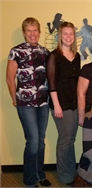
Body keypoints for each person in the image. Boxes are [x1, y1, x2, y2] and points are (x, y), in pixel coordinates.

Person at [6, 17, 51, 187]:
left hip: (43, 103)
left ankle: (40, 174)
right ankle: (30, 179)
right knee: (32, 141)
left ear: (39, 32)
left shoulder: (45, 52)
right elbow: (10, 79)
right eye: (29, 31)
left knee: (40, 140)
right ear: (24, 33)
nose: (32, 34)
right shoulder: (16, 51)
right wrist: (14, 100)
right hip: (26, 104)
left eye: (35, 30)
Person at [46, 22, 81, 186]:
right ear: (60, 36)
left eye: (71, 34)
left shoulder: (77, 55)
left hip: (74, 103)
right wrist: (57, 105)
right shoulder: (54, 56)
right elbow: (51, 83)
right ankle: (64, 176)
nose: (68, 36)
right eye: (65, 34)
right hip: (61, 104)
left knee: (71, 139)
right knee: (65, 140)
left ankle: (71, 171)